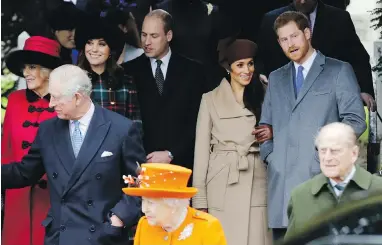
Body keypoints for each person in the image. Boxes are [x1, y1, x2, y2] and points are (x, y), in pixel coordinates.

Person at [1, 65, 146, 245]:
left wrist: (118, 219)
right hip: (61, 236)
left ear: (77, 97)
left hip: (104, 236)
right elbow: (25, 172)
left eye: (56, 97)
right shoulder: (48, 130)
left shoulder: (121, 129)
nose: (51, 103)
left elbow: (140, 184)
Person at [259, 11, 366, 241]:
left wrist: (324, 152)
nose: (290, 44)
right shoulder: (276, 78)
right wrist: (272, 156)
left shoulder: (338, 70)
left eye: (294, 36)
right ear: (278, 43)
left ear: (307, 33)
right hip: (283, 193)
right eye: (283, 39)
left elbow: (356, 121)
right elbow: (264, 126)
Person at [192, 37, 272, 245]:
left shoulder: (266, 94)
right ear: (228, 68)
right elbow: (201, 153)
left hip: (258, 178)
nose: (247, 70)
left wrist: (271, 133)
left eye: (250, 63)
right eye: (240, 65)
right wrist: (200, 200)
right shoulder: (209, 100)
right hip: (221, 183)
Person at [122, 10, 205, 173]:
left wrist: (172, 153)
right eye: (144, 34)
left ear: (169, 36)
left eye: (154, 36)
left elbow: (199, 120)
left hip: (184, 166)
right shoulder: (128, 71)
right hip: (141, 166)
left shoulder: (194, 71)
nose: (146, 41)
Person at [257, 0, 376, 111]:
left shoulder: (339, 19)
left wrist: (363, 90)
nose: (302, 1)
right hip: (286, 104)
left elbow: (358, 58)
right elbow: (261, 57)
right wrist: (260, 75)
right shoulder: (271, 20)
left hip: (331, 104)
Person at [2, 36, 62, 245]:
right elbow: (6, 148)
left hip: (52, 199)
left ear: (49, 70)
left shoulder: (65, 103)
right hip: (17, 196)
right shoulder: (15, 100)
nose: (26, 72)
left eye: (33, 67)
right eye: (25, 67)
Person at [285, 122, 382, 239]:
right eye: (322, 150)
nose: (327, 158)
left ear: (353, 153)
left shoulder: (378, 190)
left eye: (335, 151)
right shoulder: (300, 196)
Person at [122, 163, 227, 245]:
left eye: (151, 203)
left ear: (174, 203)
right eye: (143, 201)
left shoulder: (206, 227)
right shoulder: (144, 225)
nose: (144, 209)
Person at [76, 16, 141, 122]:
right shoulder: (73, 81)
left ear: (110, 49)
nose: (94, 49)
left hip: (119, 138)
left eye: (101, 44)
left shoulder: (126, 82)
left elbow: (135, 122)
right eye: (89, 43)